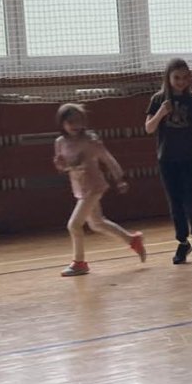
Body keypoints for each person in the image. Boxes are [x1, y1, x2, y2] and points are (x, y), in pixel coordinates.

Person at [55, 102, 147, 275]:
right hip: (79, 188)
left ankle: (79, 263)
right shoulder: (60, 142)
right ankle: (133, 240)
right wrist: (61, 165)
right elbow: (65, 166)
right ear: (62, 123)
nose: (75, 125)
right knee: (97, 223)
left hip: (94, 186)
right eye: (70, 121)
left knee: (74, 225)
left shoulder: (90, 140)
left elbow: (107, 158)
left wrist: (119, 178)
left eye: (78, 120)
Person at [145, 58, 192, 265]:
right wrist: (161, 113)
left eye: (185, 77)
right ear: (168, 78)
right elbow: (149, 128)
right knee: (175, 202)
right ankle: (182, 242)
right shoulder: (158, 99)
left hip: (190, 158)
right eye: (176, 78)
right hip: (167, 159)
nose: (181, 82)